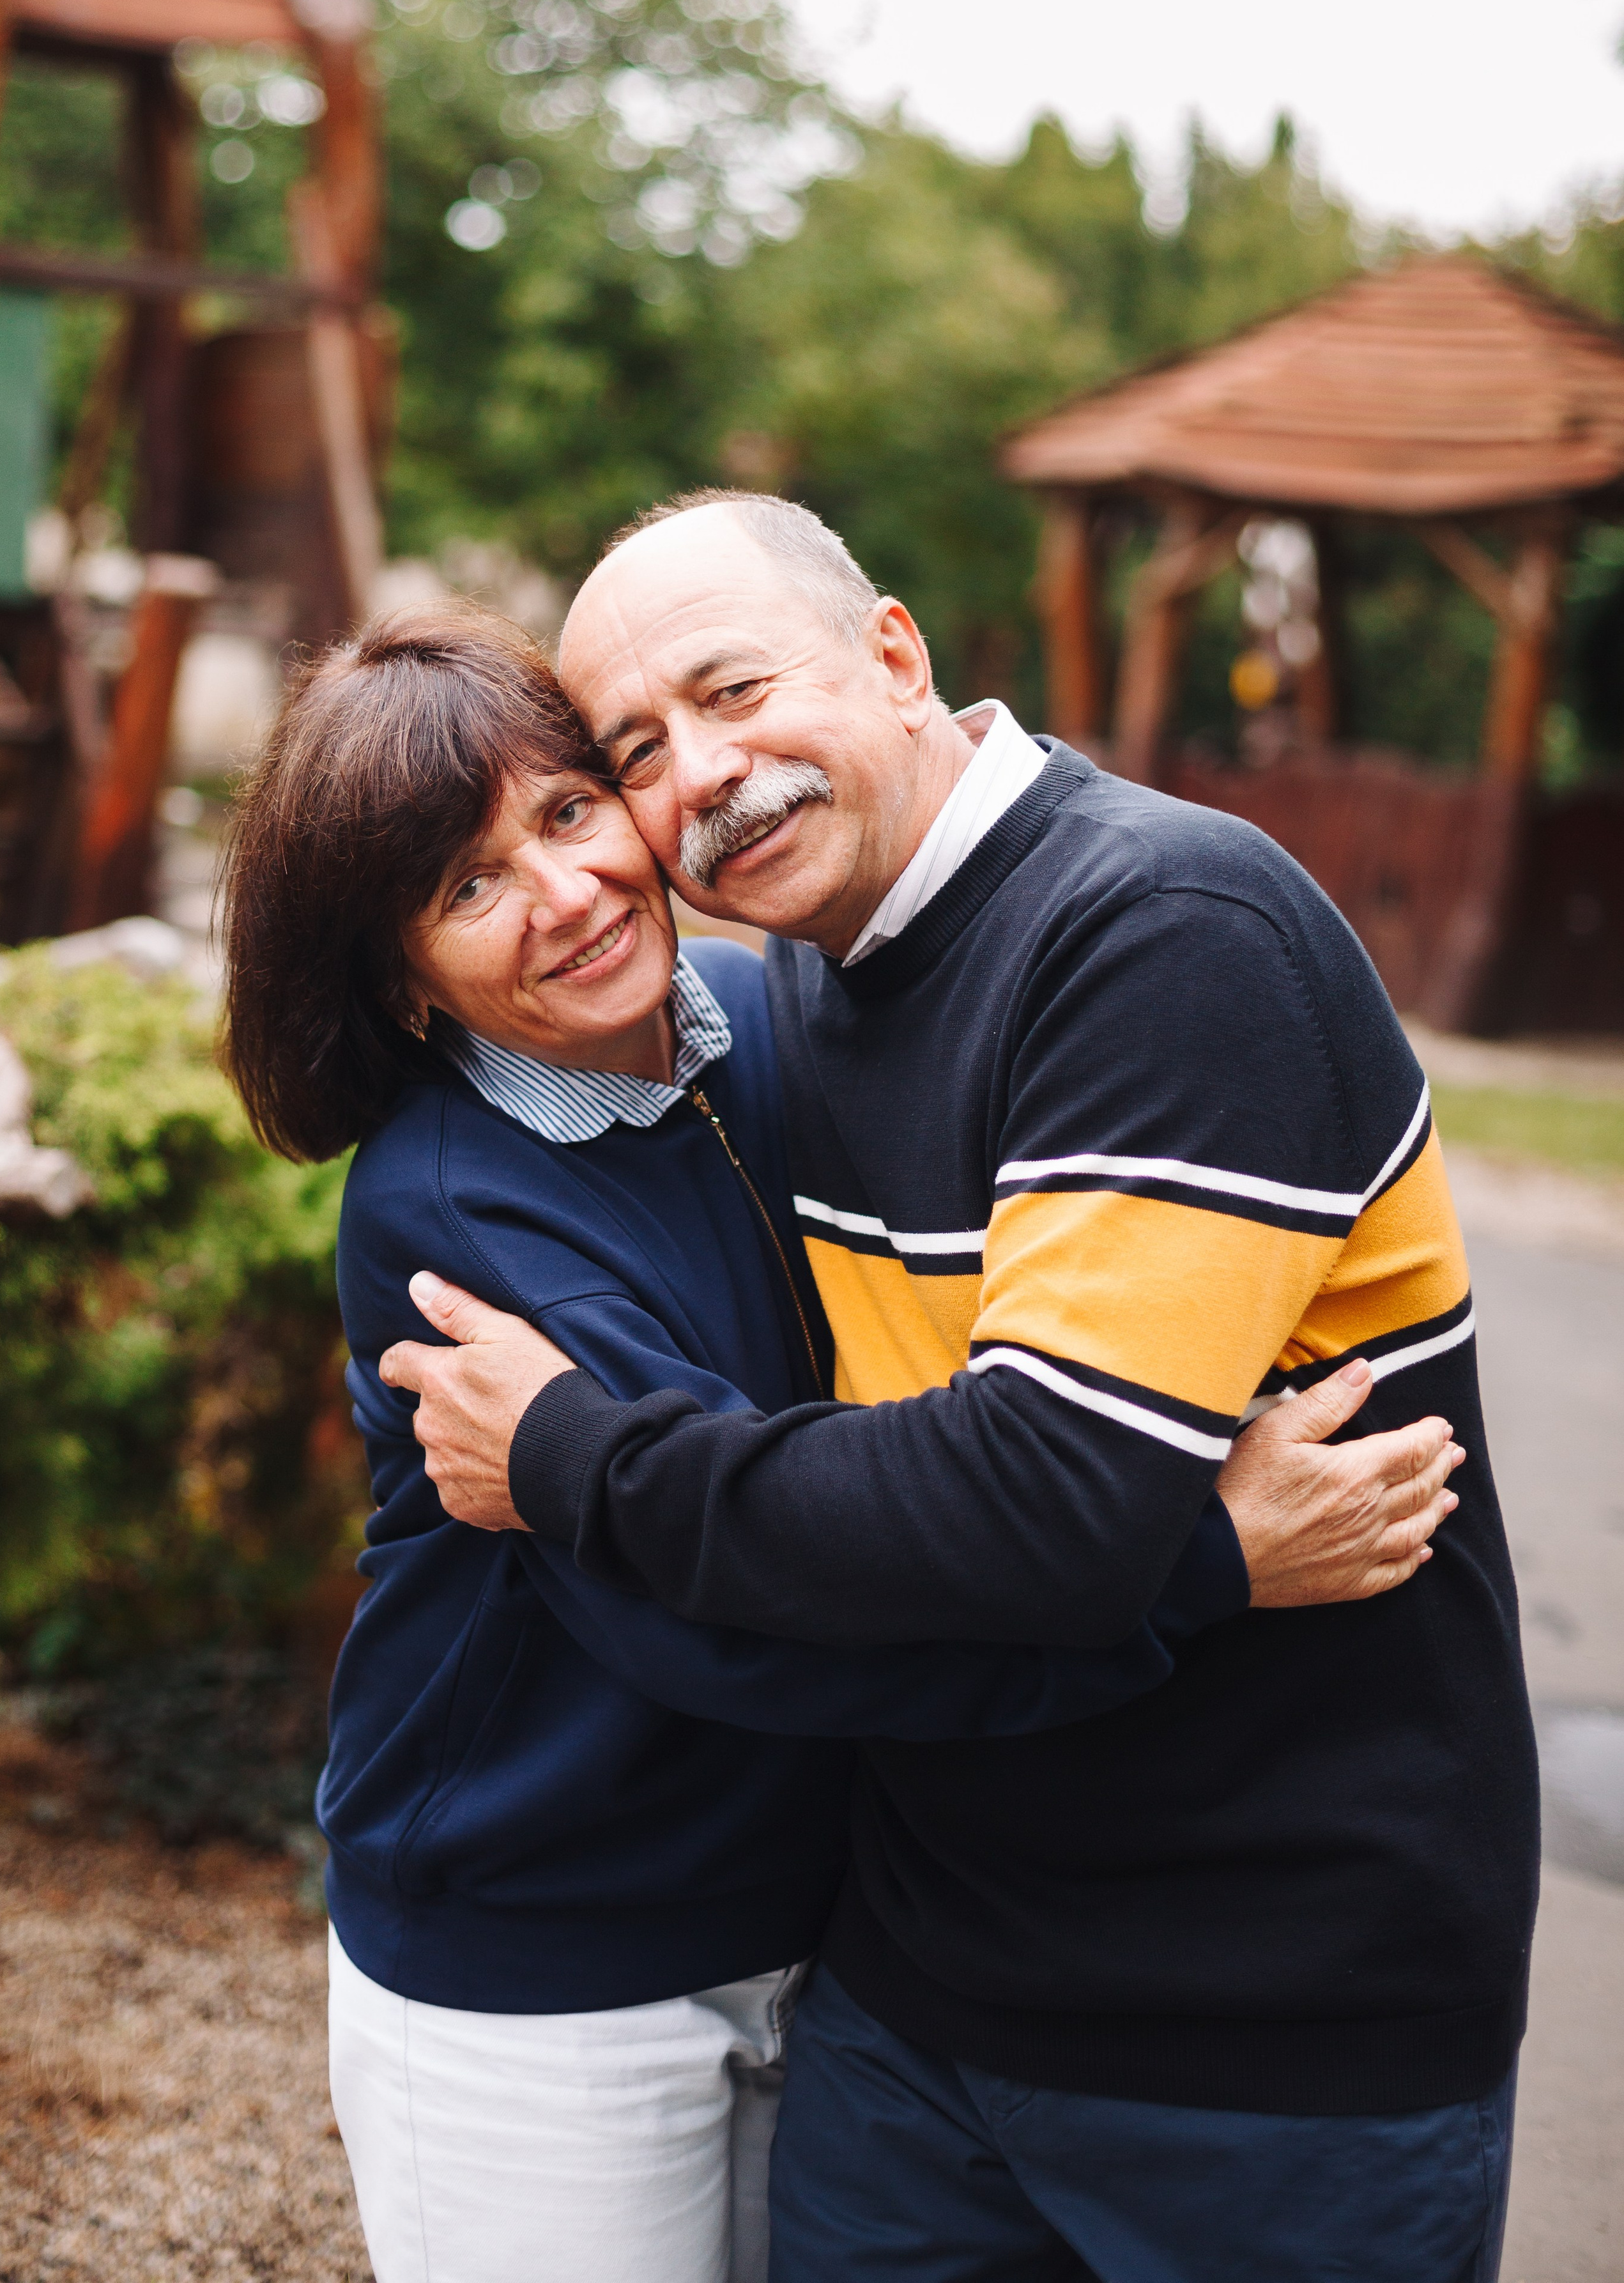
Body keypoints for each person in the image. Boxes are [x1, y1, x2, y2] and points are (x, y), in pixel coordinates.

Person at [218, 603, 1457, 2283]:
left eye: (570, 812)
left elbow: (936, 1426)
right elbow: (734, 1628)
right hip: (548, 1960)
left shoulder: (763, 1027)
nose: (567, 893)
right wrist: (1201, 1567)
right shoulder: (456, 1211)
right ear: (400, 978)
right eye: (466, 887)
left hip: (812, 1935)